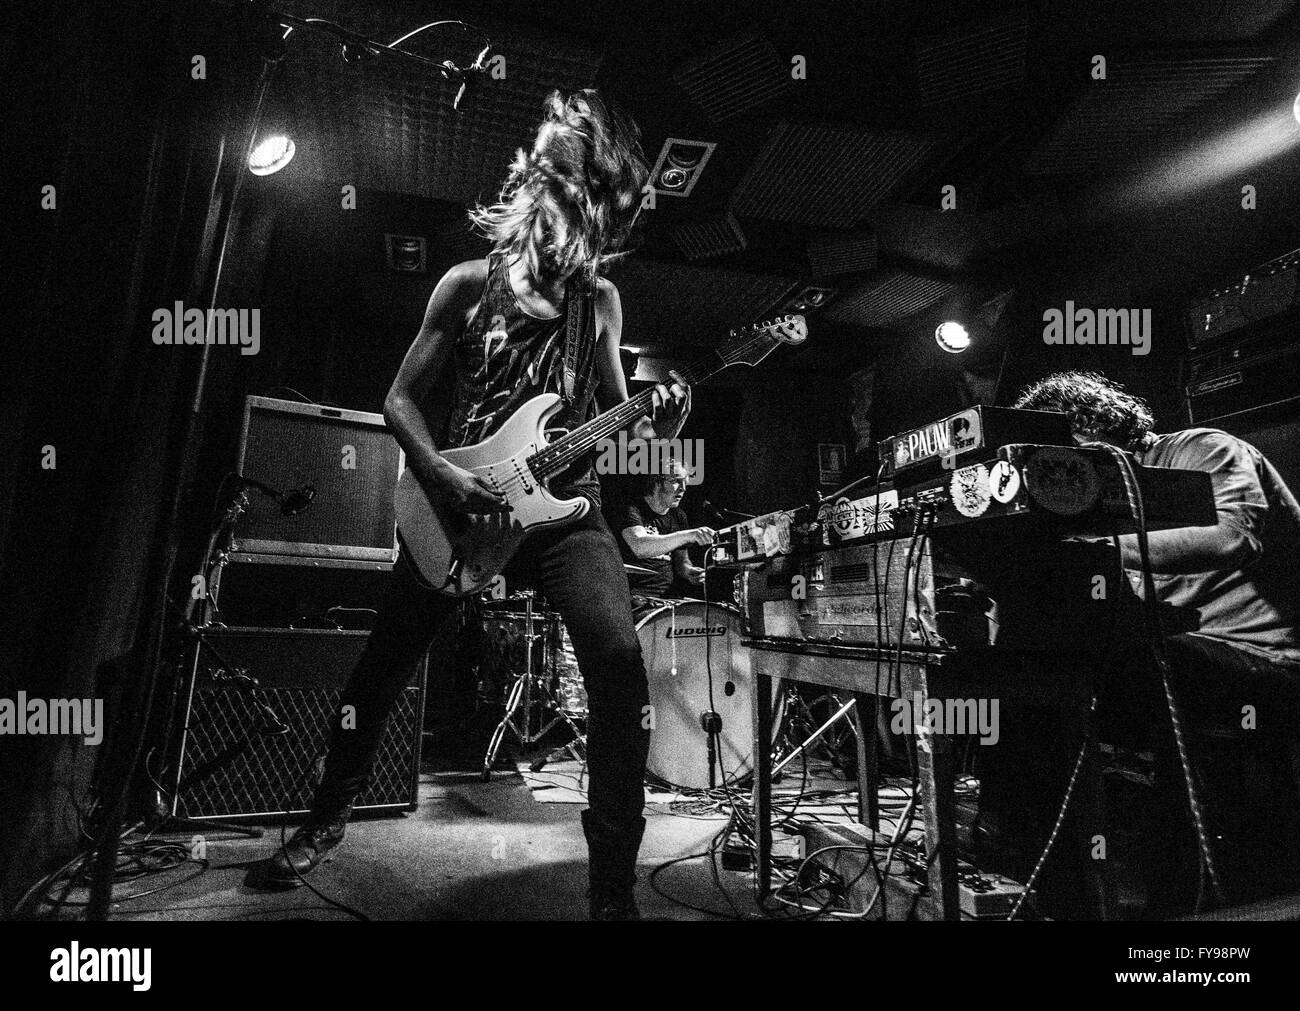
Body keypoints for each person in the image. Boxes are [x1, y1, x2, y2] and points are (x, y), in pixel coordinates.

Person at [251, 90, 691, 920]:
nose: (586, 238)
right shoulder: (465, 285)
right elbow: (398, 401)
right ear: (544, 196)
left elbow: (614, 423)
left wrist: (656, 417)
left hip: (567, 512)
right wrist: (444, 476)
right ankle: (322, 817)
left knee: (619, 664)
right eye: (580, 210)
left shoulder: (598, 302)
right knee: (380, 668)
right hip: (463, 506)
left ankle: (610, 891)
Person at [984, 370, 1300, 915]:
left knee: (1092, 677)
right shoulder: (1111, 507)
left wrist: (1088, 549)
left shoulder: (1202, 448)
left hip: (1265, 657)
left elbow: (1231, 536)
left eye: (1070, 457)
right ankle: (1038, 877)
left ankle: (1153, 896)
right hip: (1185, 652)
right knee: (1020, 685)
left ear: (1097, 431)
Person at [612, 457, 715, 598]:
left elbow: (681, 562)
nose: (683, 488)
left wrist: (689, 571)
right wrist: (688, 535)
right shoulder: (632, 509)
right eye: (675, 481)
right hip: (637, 597)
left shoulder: (678, 516)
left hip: (669, 598)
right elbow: (640, 546)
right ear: (656, 482)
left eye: (685, 481)